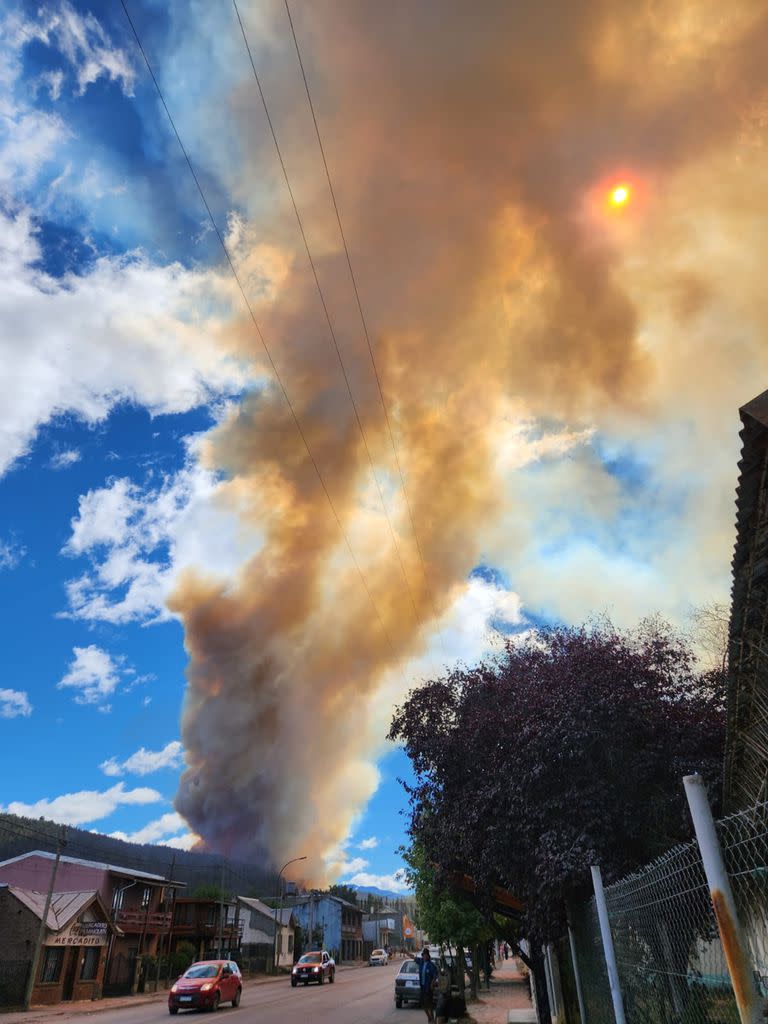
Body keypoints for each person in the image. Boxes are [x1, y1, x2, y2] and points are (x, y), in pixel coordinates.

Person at [414, 948, 439, 1023]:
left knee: (429, 1004)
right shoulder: (421, 962)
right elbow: (414, 957)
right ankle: (430, 1018)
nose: (424, 957)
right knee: (423, 1004)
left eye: (426, 955)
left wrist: (432, 983)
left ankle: (431, 1020)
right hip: (422, 987)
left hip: (429, 988)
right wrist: (405, 952)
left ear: (428, 956)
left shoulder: (431, 965)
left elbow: (435, 976)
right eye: (423, 955)